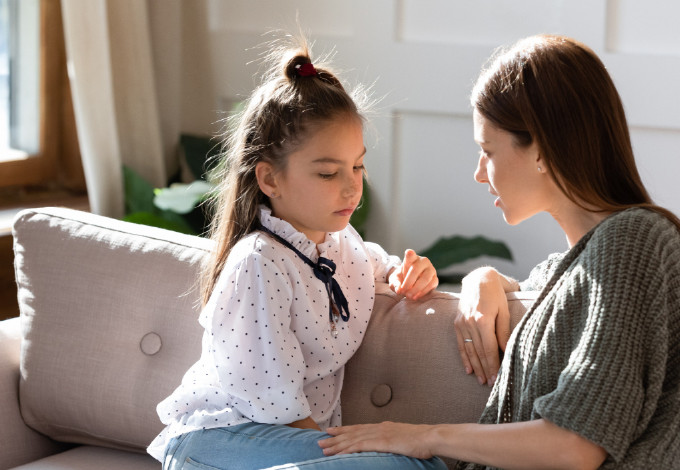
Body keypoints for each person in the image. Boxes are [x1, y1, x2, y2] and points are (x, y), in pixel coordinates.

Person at [319, 34, 680, 468]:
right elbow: (549, 290)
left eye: (487, 151)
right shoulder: (580, 263)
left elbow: (576, 446)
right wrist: (483, 278)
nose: (478, 173)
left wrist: (422, 437)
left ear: (542, 151)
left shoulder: (634, 241)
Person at [146, 35, 446, 470]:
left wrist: (413, 273)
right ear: (269, 180)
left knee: (420, 464)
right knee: (408, 466)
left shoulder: (346, 248)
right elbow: (273, 401)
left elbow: (385, 268)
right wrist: (339, 456)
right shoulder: (258, 262)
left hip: (288, 444)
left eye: (358, 166)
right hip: (216, 442)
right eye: (328, 172)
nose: (351, 186)